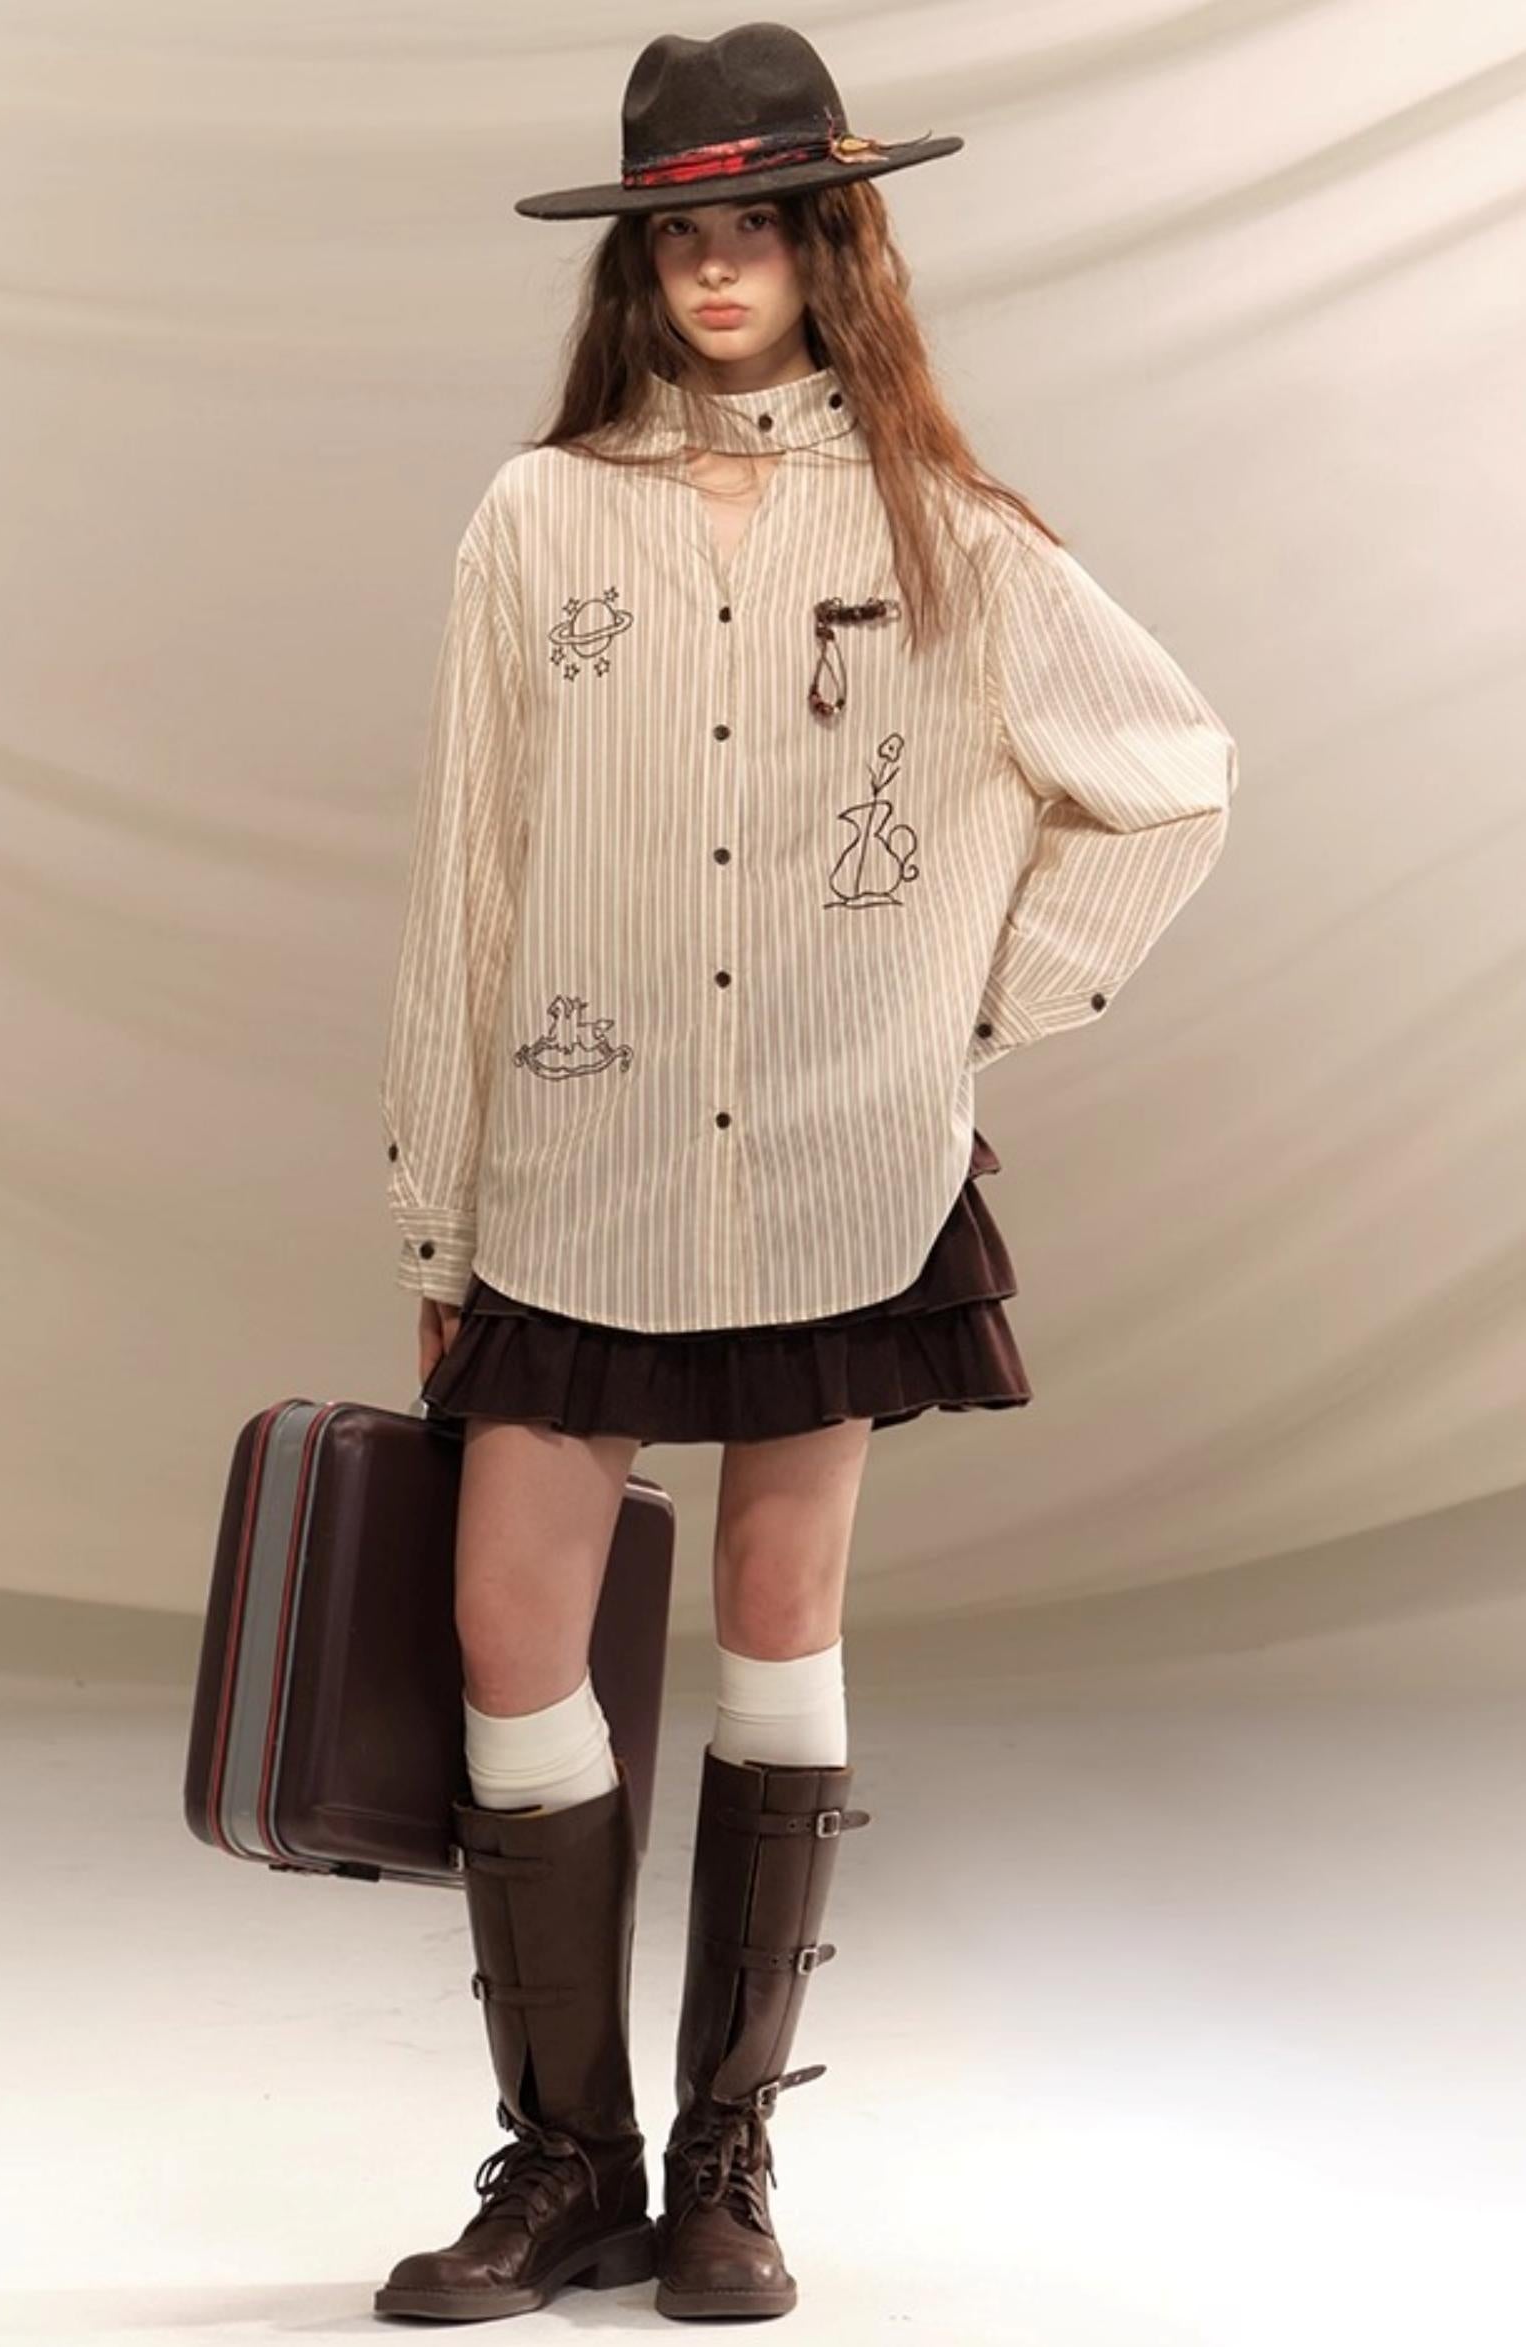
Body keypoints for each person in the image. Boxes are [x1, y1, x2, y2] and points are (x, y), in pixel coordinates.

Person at [372, 20, 1239, 2326]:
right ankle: (567, 2159)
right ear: (636, 260)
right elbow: (468, 879)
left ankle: (729, 2160)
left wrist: (969, 1007)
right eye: (683, 231)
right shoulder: (537, 518)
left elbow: (1167, 777)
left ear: (833, 242)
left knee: (779, 1610)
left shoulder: (947, 527)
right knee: (510, 1625)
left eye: (760, 224)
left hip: (845, 1172)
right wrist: (438, 1208)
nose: (719, 266)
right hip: (576, 1160)